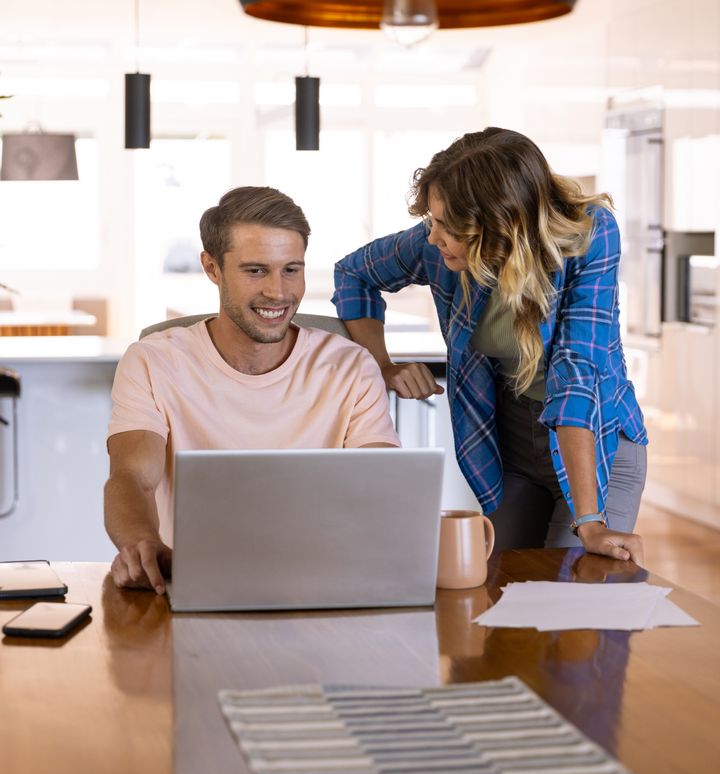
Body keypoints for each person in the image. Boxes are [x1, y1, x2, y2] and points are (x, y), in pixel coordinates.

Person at [333, 127, 647, 564]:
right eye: (432, 220)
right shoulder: (437, 248)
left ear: (499, 225)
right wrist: (381, 364)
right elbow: (355, 274)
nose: (431, 237)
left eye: (446, 225)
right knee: (506, 590)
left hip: (593, 439)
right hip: (509, 442)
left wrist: (590, 520)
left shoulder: (588, 236)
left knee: (578, 597)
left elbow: (579, 378)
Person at [105, 186, 399, 594]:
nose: (278, 292)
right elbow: (132, 477)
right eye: (256, 270)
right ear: (212, 268)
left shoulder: (350, 366)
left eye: (291, 269)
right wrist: (142, 543)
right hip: (194, 583)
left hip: (325, 583)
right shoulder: (153, 361)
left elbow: (382, 489)